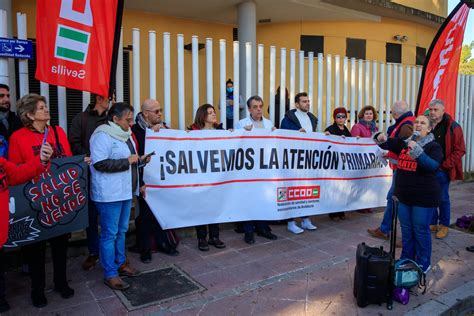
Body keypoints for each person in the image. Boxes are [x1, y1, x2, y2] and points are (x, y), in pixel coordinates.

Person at [8, 94, 74, 307]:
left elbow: (68, 160)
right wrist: (40, 161)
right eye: (42, 107)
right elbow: (14, 172)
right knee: (35, 250)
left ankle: (61, 282)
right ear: (29, 114)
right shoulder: (18, 137)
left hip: (59, 198)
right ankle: (37, 289)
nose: (47, 110)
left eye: (46, 107)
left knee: (60, 245)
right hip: (34, 201)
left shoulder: (58, 131)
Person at [373, 115, 443, 273]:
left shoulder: (434, 147)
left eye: (423, 123)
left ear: (429, 128)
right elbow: (386, 142)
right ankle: (406, 258)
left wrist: (417, 151)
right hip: (404, 196)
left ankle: (424, 262)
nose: (418, 125)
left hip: (423, 198)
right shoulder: (405, 142)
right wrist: (380, 137)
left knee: (420, 230)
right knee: (406, 229)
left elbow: (432, 166)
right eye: (416, 122)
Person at [90, 102, 147, 290]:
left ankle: (121, 263)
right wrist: (126, 161)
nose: (131, 123)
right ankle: (110, 273)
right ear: (115, 119)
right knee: (109, 234)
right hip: (108, 194)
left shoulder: (126, 135)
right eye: (127, 120)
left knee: (121, 231)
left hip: (124, 191)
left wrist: (139, 161)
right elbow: (99, 164)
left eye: (131, 119)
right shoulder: (101, 135)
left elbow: (129, 160)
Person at [131, 99, 178, 263]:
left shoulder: (164, 127)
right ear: (146, 114)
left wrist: (165, 132)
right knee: (144, 215)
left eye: (161, 110)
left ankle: (162, 242)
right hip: (144, 178)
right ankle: (145, 249)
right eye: (156, 111)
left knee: (160, 211)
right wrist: (151, 133)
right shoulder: (135, 131)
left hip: (161, 177)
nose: (160, 114)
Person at [68, 94, 109, 271]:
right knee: (91, 216)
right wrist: (92, 157)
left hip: (110, 174)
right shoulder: (81, 118)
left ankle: (111, 252)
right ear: (99, 98)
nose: (112, 100)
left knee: (109, 216)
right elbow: (73, 142)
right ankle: (94, 252)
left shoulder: (111, 119)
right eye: (110, 97)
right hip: (89, 175)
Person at [367, 101, 414, 240]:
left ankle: (386, 230)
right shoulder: (405, 122)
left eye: (392, 112)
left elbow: (401, 146)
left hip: (403, 168)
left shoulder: (406, 125)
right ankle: (386, 228)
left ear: (396, 113)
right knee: (394, 199)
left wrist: (385, 141)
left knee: (393, 198)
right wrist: (389, 152)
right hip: (402, 166)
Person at [235, 96, 278, 244]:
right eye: (255, 107)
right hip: (249, 169)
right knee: (249, 199)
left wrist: (276, 133)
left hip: (265, 167)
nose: (259, 109)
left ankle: (263, 228)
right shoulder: (242, 124)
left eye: (260, 106)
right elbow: (237, 143)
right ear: (249, 109)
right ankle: (249, 231)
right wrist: (242, 132)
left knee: (264, 198)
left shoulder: (269, 123)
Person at [188, 104, 226, 251]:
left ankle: (215, 237)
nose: (213, 115)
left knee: (215, 207)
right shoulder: (193, 132)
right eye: (210, 113)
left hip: (217, 176)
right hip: (200, 177)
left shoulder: (220, 131)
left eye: (214, 112)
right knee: (201, 207)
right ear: (203, 116)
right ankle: (202, 238)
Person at [0, 83, 24, 313]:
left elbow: (17, 170)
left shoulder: (15, 121)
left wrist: (42, 163)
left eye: (8, 96)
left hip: (11, 184)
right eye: (1, 96)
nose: (6, 99)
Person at [280, 92, 318, 234]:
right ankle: (290, 221)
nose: (307, 103)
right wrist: (296, 134)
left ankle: (305, 219)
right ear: (296, 104)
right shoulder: (288, 119)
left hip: (307, 159)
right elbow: (283, 137)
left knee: (306, 189)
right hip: (292, 159)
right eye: (303, 101)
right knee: (292, 189)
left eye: (308, 101)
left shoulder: (312, 119)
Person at [428, 99, 466, 239]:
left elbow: (460, 149)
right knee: (430, 196)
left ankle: (444, 225)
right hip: (428, 168)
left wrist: (445, 165)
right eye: (431, 109)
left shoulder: (453, 126)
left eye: (435, 109)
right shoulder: (427, 124)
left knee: (443, 198)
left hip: (442, 169)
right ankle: (432, 222)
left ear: (443, 110)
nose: (432, 112)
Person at [324, 107, 351, 221]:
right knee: (333, 188)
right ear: (334, 118)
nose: (341, 119)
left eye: (343, 116)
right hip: (333, 163)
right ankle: (333, 213)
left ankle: (341, 210)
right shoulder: (330, 129)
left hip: (343, 163)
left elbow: (351, 144)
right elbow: (325, 143)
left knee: (342, 188)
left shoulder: (346, 130)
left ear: (346, 118)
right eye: (338, 117)